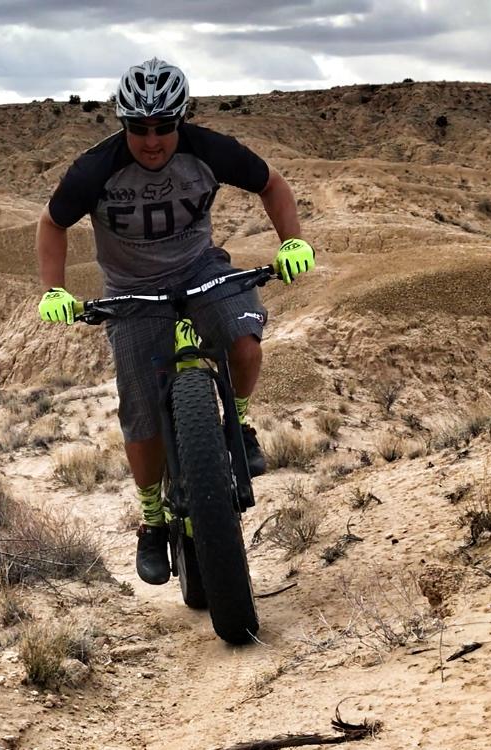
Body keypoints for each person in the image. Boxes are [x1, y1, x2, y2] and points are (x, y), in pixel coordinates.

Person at [35, 57, 316, 585]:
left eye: (164, 125)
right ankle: (152, 520)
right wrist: (54, 290)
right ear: (122, 122)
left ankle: (239, 420)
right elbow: (52, 223)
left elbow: (272, 184)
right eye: (138, 127)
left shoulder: (208, 150)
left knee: (246, 344)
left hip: (199, 268)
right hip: (132, 289)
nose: (152, 139)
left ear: (180, 118)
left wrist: (291, 240)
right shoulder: (96, 170)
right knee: (141, 412)